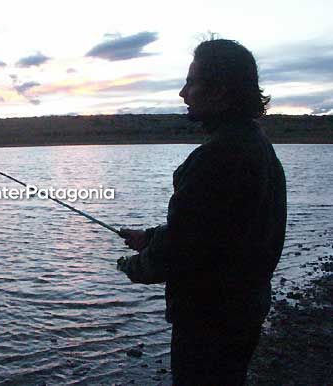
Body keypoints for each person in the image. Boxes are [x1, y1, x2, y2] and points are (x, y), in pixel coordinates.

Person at [117, 38, 287, 386]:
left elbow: (182, 251)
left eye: (191, 82)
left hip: (209, 320)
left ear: (220, 91)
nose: (183, 93)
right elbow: (215, 232)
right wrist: (149, 237)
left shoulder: (216, 159)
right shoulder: (257, 145)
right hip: (244, 310)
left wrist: (133, 265)